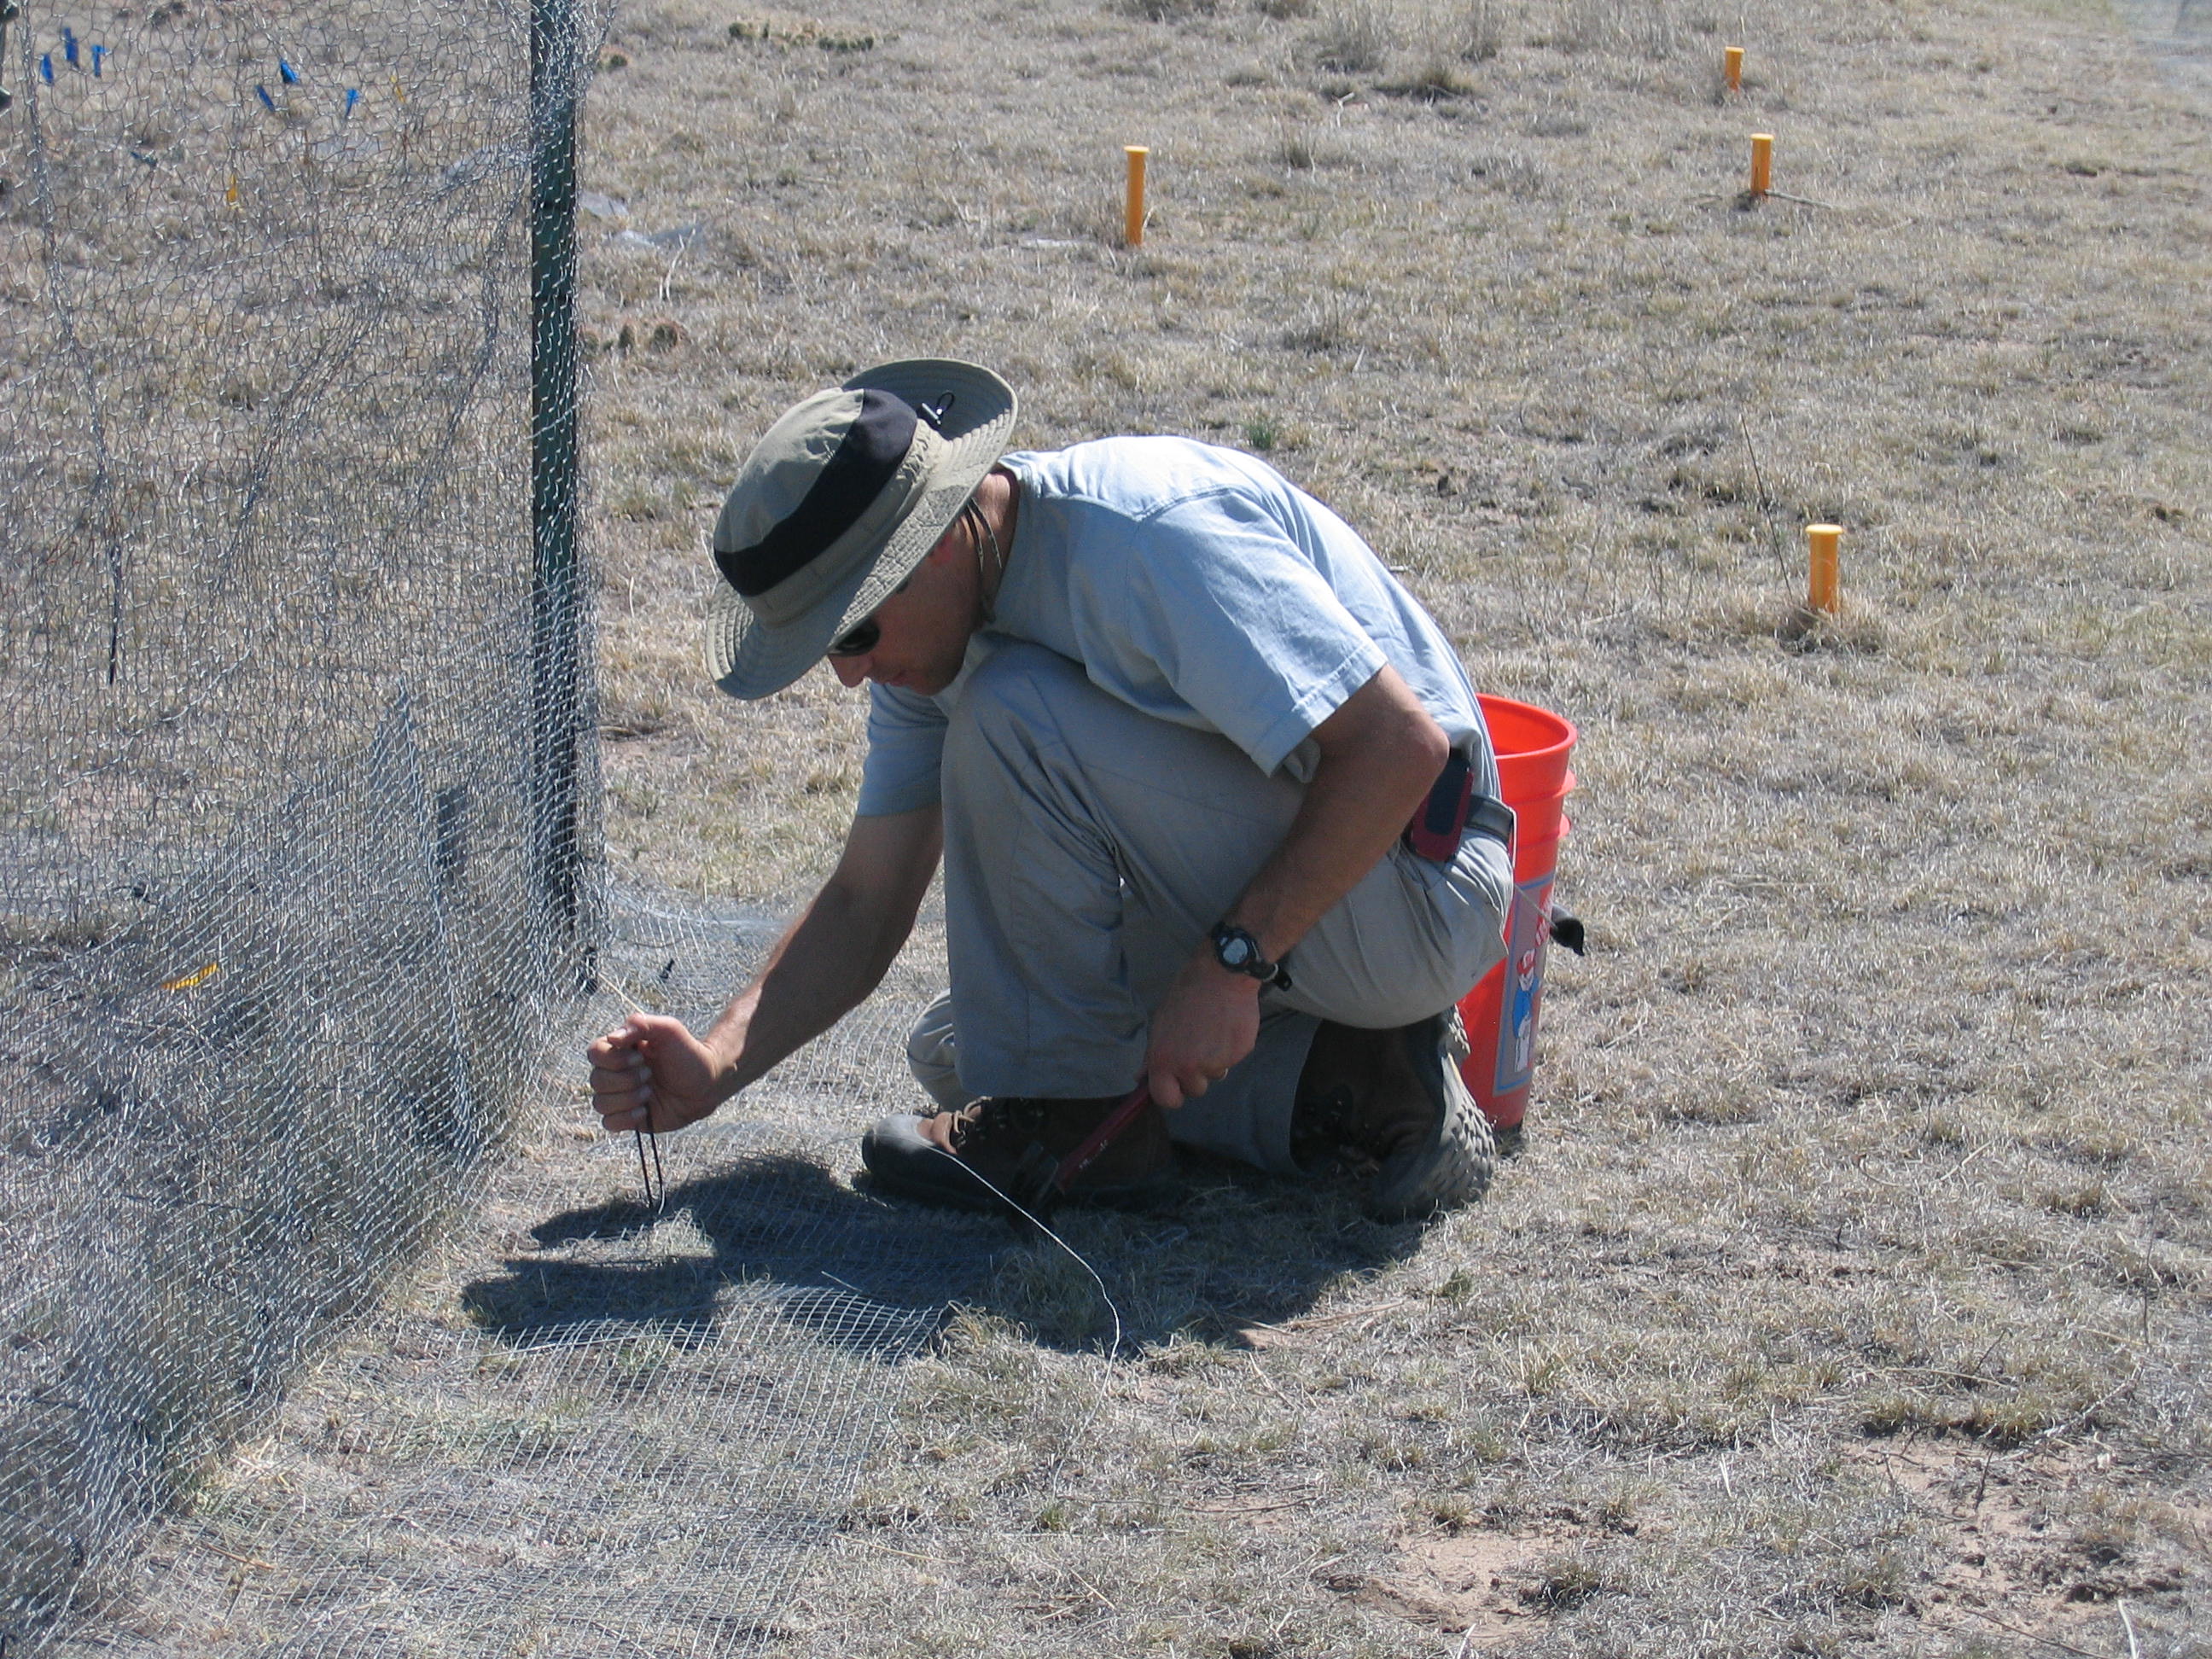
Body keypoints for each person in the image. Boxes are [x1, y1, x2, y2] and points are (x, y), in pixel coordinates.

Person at [587, 358, 1516, 1220]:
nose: (848, 675)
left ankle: (1086, 1128)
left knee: (1013, 734)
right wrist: (715, 1062)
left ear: (940, 540)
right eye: (829, 647)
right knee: (963, 1049)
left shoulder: (1146, 538)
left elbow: (1400, 750)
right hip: (1321, 902)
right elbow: (870, 897)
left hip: (1418, 888)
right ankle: (1364, 1079)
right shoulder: (934, 634)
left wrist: (1232, 960)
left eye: (853, 632)